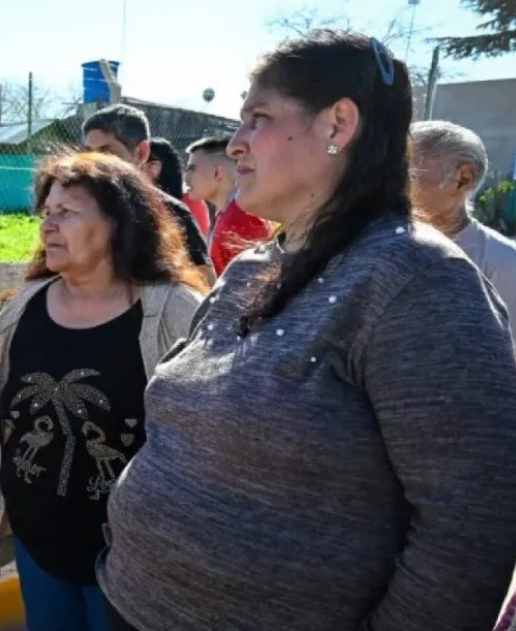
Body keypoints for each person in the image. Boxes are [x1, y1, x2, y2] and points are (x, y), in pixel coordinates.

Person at [101, 31, 516, 631]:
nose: (236, 145)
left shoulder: (421, 284)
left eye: (258, 118)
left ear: (337, 125)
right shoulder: (254, 266)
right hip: (135, 602)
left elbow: (472, 527)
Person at [0, 152, 206, 631]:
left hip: (136, 555)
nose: (48, 226)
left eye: (67, 212)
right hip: (39, 543)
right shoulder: (22, 310)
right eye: (47, 213)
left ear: (117, 222)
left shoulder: (176, 313)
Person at [82, 103, 216, 285]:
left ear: (141, 153)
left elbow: (204, 283)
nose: (95, 164)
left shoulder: (169, 212)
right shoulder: (74, 207)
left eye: (107, 153)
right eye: (89, 155)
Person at [411, 120, 516, 350]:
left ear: (463, 179)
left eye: (409, 173)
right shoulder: (378, 248)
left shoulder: (503, 263)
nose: (389, 187)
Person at [185, 136, 272, 275]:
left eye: (192, 169)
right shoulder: (230, 213)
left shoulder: (242, 219)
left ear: (217, 172)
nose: (186, 177)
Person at [147, 137, 210, 236]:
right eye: (142, 162)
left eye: (151, 163)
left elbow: (199, 242)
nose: (143, 168)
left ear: (167, 166)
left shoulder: (190, 200)